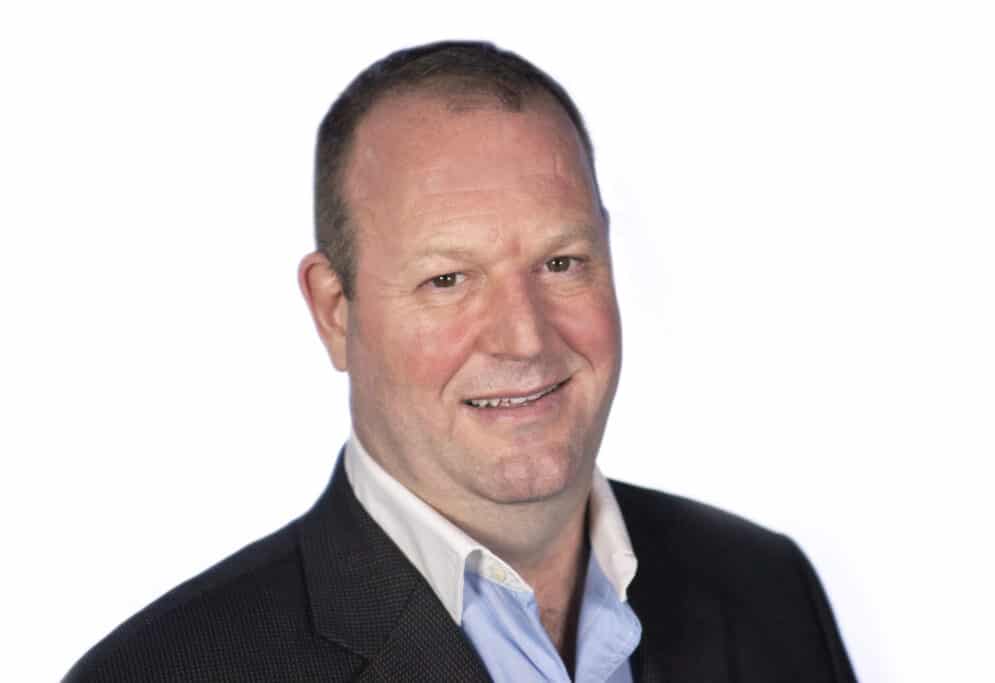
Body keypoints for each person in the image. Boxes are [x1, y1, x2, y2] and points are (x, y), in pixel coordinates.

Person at [66, 41, 856, 682]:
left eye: (562, 262)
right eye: (447, 280)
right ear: (336, 312)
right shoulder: (166, 672)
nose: (523, 337)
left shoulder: (766, 589)